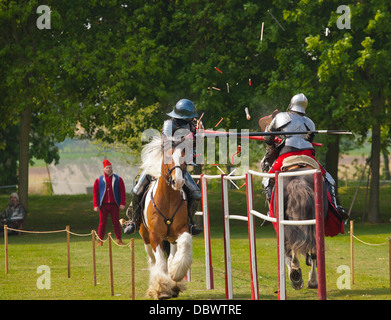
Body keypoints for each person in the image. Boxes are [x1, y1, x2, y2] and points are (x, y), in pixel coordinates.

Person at [122, 98, 202, 236]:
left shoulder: (191, 128)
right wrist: (186, 139)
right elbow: (167, 145)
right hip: (159, 164)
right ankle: (134, 221)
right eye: (188, 118)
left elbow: (193, 152)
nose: (189, 121)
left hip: (177, 167)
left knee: (195, 193)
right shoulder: (168, 124)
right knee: (137, 190)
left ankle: (189, 223)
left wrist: (198, 136)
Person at [260, 93, 348, 219]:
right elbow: (310, 139)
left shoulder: (281, 117)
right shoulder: (309, 122)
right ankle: (336, 206)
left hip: (288, 151)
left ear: (291, 104)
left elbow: (268, 139)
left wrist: (273, 140)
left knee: (267, 179)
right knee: (328, 178)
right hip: (307, 152)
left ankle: (271, 211)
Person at [93, 159, 126, 246]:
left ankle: (119, 240)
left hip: (114, 204)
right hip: (103, 205)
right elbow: (95, 193)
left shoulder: (118, 179)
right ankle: (100, 241)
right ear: (104, 169)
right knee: (102, 223)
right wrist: (95, 205)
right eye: (107, 168)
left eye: (110, 168)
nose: (108, 169)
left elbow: (122, 191)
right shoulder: (99, 180)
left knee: (116, 223)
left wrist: (122, 203)